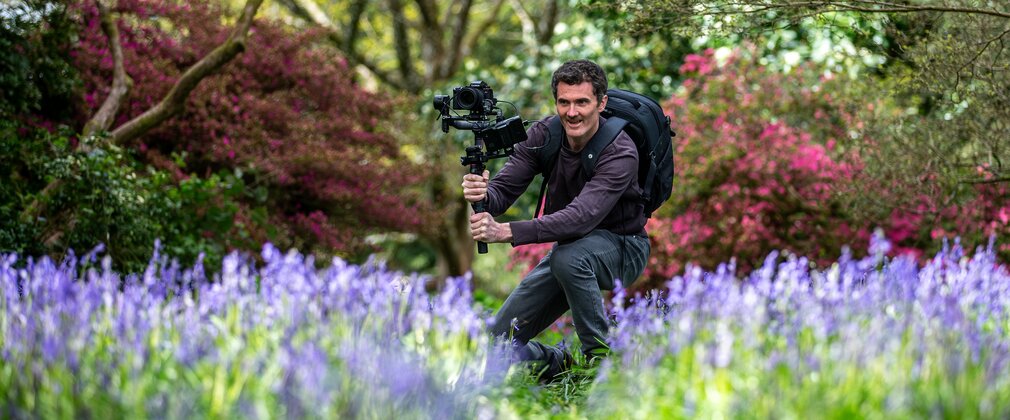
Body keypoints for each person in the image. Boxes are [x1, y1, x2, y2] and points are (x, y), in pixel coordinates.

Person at [461, 59, 651, 380]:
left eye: (582, 102)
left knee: (569, 256)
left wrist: (505, 231)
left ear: (601, 103)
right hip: (572, 253)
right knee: (498, 341)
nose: (572, 112)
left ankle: (604, 366)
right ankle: (559, 364)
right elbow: (501, 194)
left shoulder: (620, 150)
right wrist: (480, 191)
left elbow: (580, 218)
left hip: (624, 247)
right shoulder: (543, 136)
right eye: (564, 102)